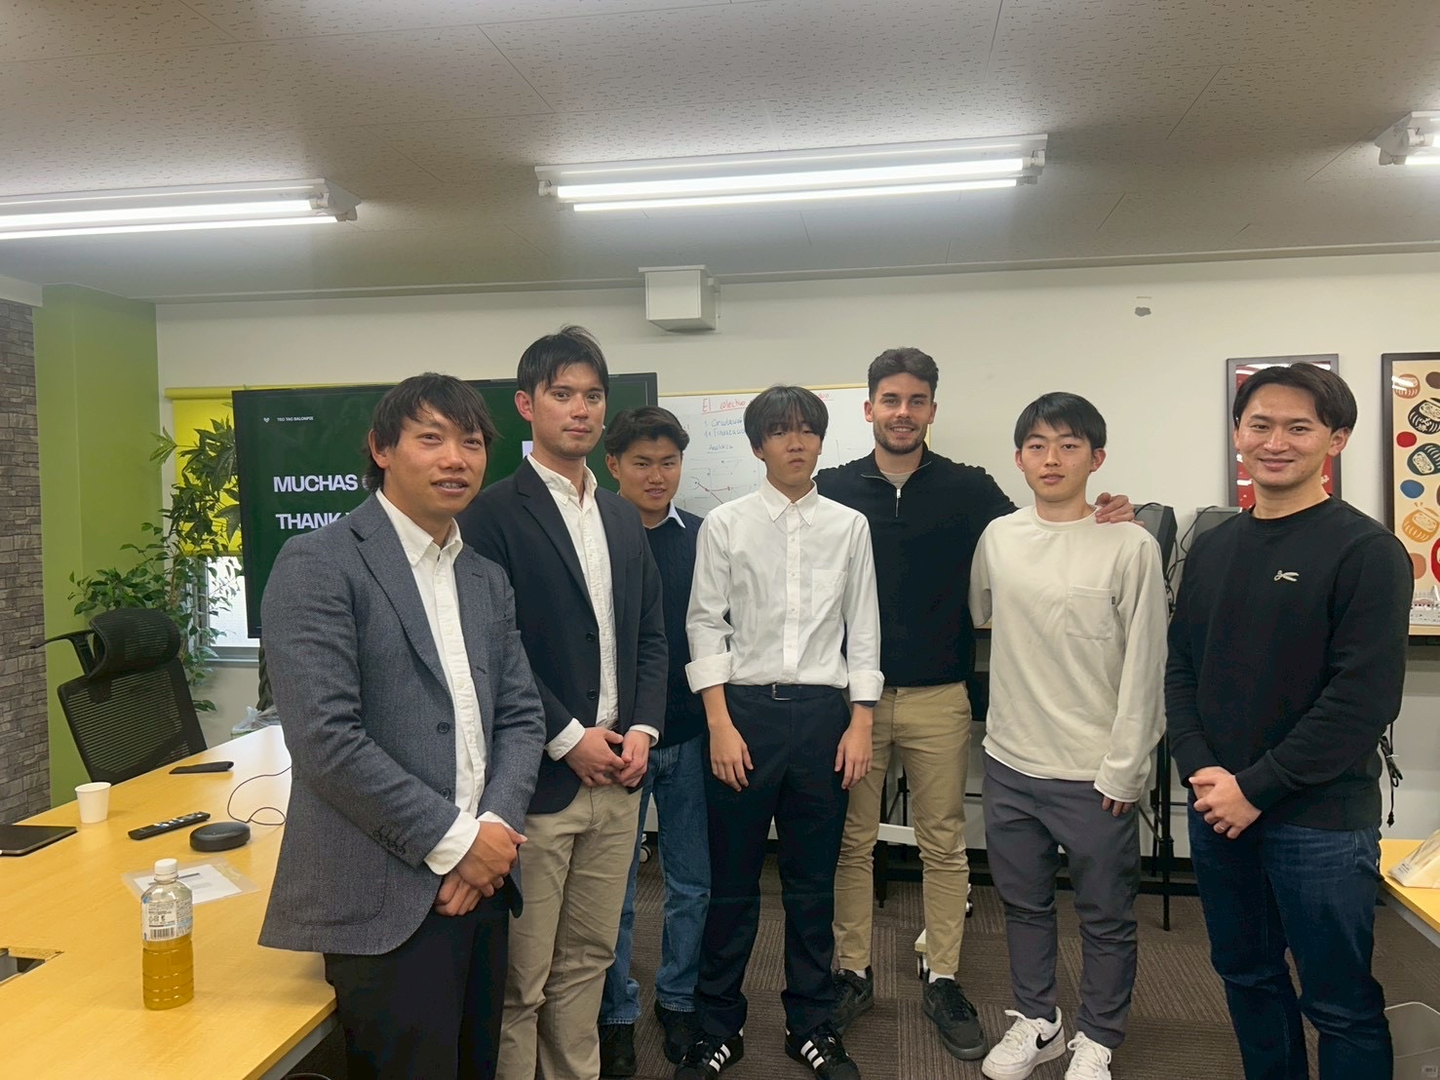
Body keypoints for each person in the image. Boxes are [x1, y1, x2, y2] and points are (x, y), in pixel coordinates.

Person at [816, 348, 1134, 1062]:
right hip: (854, 701)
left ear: (933, 409)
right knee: (852, 843)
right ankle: (853, 971)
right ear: (869, 409)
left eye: (916, 400)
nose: (903, 413)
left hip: (940, 694)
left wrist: (1111, 513)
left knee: (944, 843)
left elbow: (1045, 534)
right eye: (890, 399)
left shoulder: (970, 488)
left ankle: (944, 976)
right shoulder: (831, 488)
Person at [259, 373, 547, 1080]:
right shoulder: (319, 563)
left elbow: (520, 716)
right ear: (381, 449)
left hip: (482, 885)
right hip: (384, 896)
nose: (456, 459)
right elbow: (326, 741)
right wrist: (457, 844)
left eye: (471, 443)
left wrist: (491, 835)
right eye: (431, 438)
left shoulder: (484, 578)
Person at [1166, 363, 1409, 1079]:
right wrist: (1200, 769)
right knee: (1248, 978)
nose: (1276, 442)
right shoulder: (1211, 546)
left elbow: (1362, 701)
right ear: (1238, 434)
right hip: (1218, 809)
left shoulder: (1367, 551)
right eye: (1261, 425)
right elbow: (1181, 668)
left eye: (1299, 427)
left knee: (1340, 1003)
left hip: (1318, 818)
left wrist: (1255, 788)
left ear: (1336, 439)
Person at [458, 326, 668, 1080]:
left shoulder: (620, 515)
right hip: (539, 781)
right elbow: (495, 649)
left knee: (590, 959)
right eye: (562, 394)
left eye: (593, 396)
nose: (580, 410)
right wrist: (568, 736)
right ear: (527, 405)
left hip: (618, 774)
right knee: (523, 976)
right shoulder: (488, 514)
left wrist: (642, 728)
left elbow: (650, 634)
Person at [678, 385, 881, 1080]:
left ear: (821, 441)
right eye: (781, 431)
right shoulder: (725, 524)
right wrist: (719, 723)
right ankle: (717, 1027)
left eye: (808, 431)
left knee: (812, 884)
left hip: (824, 719)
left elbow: (864, 628)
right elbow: (705, 623)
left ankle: (811, 1024)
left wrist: (861, 721)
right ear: (757, 444)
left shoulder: (849, 526)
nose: (796, 442)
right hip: (744, 716)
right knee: (731, 882)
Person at [970, 393, 1167, 1080]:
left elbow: (1146, 662)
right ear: (1019, 458)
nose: (1051, 458)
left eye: (1069, 445)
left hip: (1094, 772)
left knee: (1105, 916)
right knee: (1022, 906)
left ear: (1097, 458)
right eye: (1037, 446)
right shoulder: (999, 538)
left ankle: (1099, 1036)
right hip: (1010, 762)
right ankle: (1039, 1021)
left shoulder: (1131, 544)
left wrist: (1127, 767)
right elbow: (983, 611)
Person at [597, 406, 712, 1076]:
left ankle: (678, 998)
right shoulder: (596, 536)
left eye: (668, 462)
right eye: (642, 462)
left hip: (690, 735)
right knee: (613, 893)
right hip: (619, 744)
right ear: (613, 465)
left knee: (691, 882)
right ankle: (615, 1011)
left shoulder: (701, 536)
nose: (656, 475)